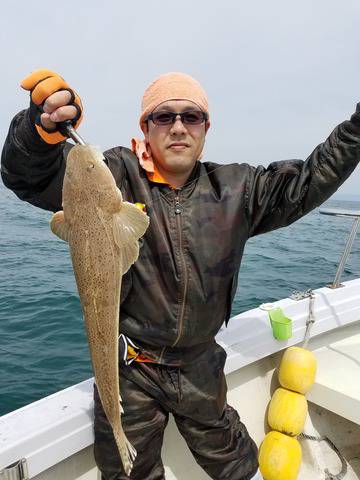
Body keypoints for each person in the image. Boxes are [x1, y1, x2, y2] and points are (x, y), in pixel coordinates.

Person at [1, 69, 360, 480]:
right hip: (131, 366)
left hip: (199, 364)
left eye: (190, 117)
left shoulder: (238, 188)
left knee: (239, 465)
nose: (177, 127)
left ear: (205, 129)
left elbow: (310, 179)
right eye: (163, 116)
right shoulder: (113, 173)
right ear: (145, 127)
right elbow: (28, 176)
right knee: (126, 471)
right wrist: (38, 131)